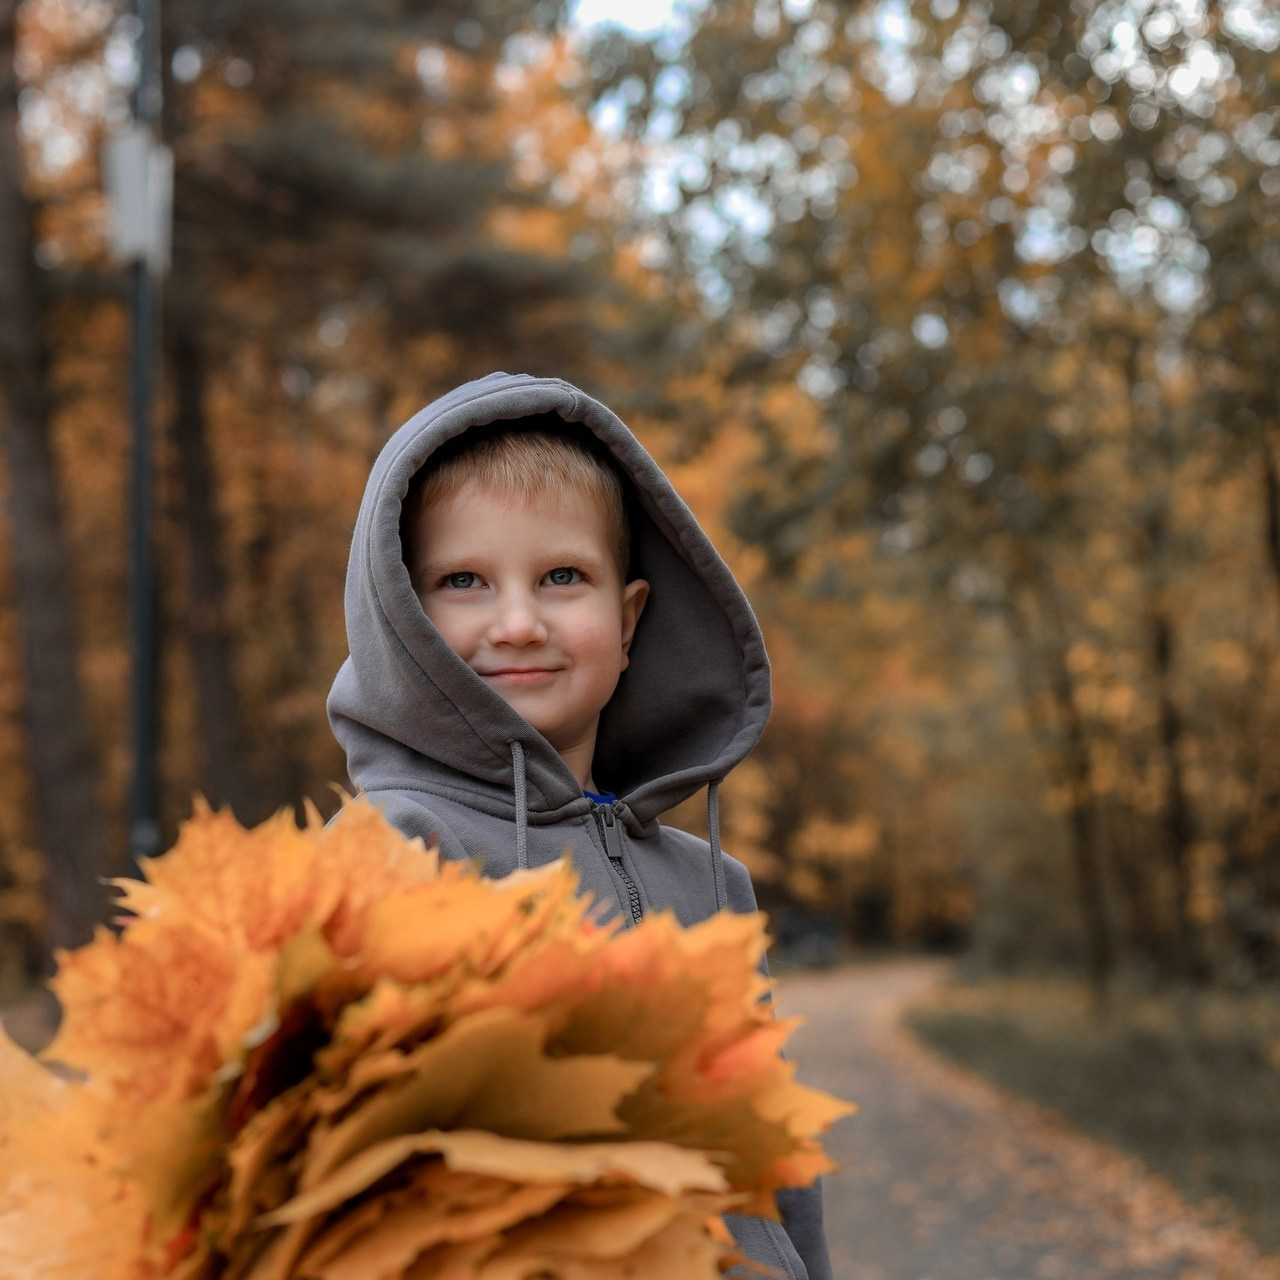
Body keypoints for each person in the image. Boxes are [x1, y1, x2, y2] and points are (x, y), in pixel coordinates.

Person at [328, 371, 832, 1280]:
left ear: (628, 617)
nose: (517, 623)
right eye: (464, 581)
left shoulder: (716, 884)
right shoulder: (396, 850)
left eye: (562, 576)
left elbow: (775, 1160)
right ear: (405, 619)